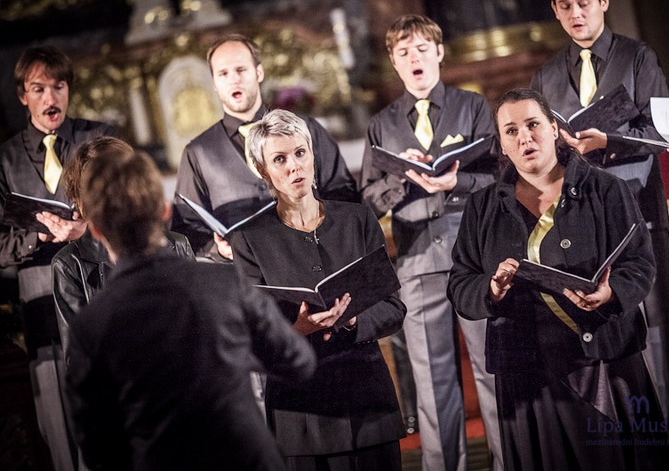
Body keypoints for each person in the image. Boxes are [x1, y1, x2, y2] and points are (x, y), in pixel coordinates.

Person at [448, 88, 669, 470]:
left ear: (554, 129)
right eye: (511, 131)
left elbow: (639, 262)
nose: (525, 138)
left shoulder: (607, 189)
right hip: (528, 377)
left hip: (606, 364)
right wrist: (491, 289)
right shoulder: (482, 207)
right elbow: (459, 283)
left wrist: (611, 293)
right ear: (501, 145)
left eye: (533, 124)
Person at [530, 0, 669, 464]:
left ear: (603, 1)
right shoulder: (547, 75)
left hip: (639, 212)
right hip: (585, 226)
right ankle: (637, 455)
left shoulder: (636, 56)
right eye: (565, 7)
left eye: (584, 3)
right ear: (556, 13)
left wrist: (609, 140)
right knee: (614, 349)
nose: (576, 14)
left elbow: (664, 132)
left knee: (662, 343)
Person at [65, 148, 316, 470]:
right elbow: (298, 361)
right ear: (164, 211)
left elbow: (97, 445)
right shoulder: (223, 282)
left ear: (97, 229)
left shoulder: (92, 323)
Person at [360, 14, 503, 471]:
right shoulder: (382, 125)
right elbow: (367, 201)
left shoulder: (473, 107)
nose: (414, 58)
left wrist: (455, 184)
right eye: (403, 52)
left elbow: (502, 178)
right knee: (433, 381)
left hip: (475, 260)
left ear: (439, 52)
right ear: (394, 63)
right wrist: (403, 179)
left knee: (492, 371)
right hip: (417, 264)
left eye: (422, 48)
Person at [229, 109, 406, 470]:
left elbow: (393, 308)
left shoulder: (357, 218)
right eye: (279, 159)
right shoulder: (248, 240)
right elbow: (250, 338)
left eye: (300, 153)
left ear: (313, 155)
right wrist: (298, 330)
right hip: (302, 417)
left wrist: (354, 321)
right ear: (264, 171)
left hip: (368, 404)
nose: (294, 166)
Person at [0, 45, 117, 470]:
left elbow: (130, 214)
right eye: (38, 88)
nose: (51, 98)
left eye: (59, 86)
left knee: (120, 412)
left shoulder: (99, 138)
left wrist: (85, 228)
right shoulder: (5, 159)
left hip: (102, 287)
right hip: (41, 301)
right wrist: (39, 235)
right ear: (22, 95)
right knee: (59, 423)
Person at [170, 33, 358, 260]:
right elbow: (187, 230)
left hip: (318, 260)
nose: (233, 80)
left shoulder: (305, 128)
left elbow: (344, 194)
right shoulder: (198, 153)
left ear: (259, 72)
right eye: (223, 74)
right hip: (250, 282)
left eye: (241, 70)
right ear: (215, 85)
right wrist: (218, 250)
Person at [52, 136, 194, 363]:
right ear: (81, 198)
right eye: (100, 187)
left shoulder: (177, 244)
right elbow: (80, 359)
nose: (114, 195)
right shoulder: (70, 264)